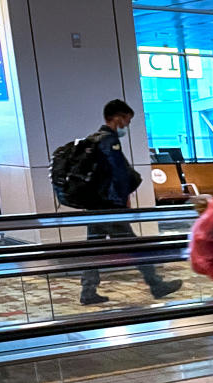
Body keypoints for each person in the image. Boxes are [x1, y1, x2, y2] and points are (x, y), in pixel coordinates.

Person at [79, 99, 182, 305]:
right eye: (126, 120)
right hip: (110, 206)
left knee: (93, 248)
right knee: (135, 246)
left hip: (95, 206)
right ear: (117, 117)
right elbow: (119, 173)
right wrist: (123, 196)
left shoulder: (93, 139)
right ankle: (156, 284)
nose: (127, 125)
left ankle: (88, 291)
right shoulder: (109, 141)